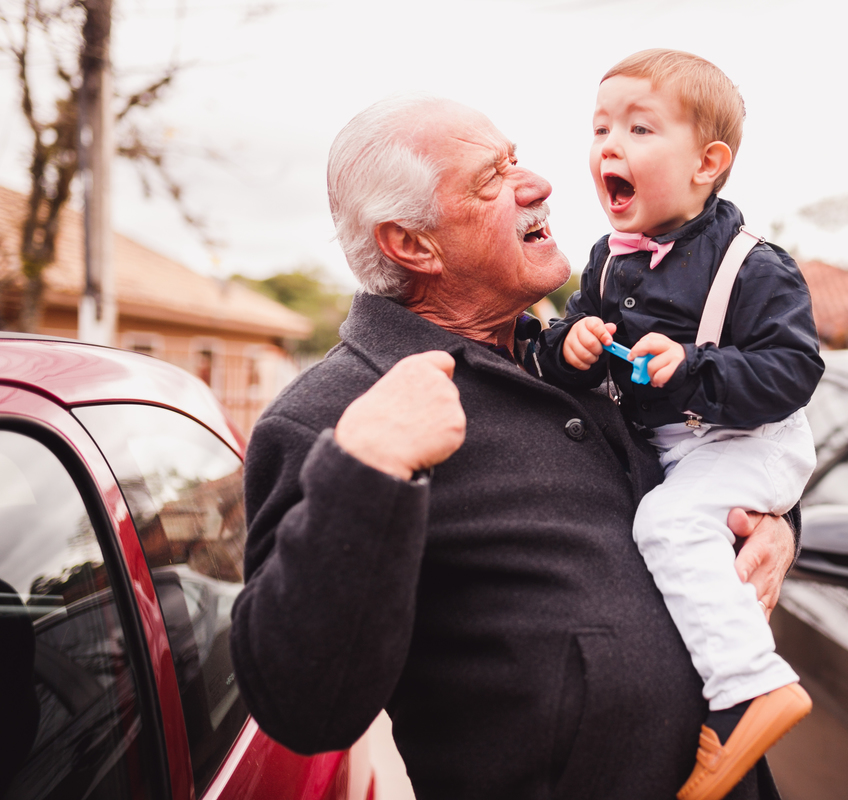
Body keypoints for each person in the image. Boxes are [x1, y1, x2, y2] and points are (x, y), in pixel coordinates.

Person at [230, 94, 800, 800]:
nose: (538, 185)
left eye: (517, 158)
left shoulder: (591, 347)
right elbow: (304, 705)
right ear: (413, 244)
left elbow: (714, 445)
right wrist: (367, 469)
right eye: (492, 178)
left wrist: (776, 528)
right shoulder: (331, 414)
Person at [538, 50, 824, 800]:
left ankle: (750, 689)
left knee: (667, 525)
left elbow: (794, 374)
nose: (609, 144)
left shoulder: (754, 266)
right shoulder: (605, 263)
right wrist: (568, 350)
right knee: (671, 526)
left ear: (708, 162)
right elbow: (567, 347)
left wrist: (697, 367)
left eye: (638, 128)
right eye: (599, 127)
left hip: (748, 441)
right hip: (682, 451)